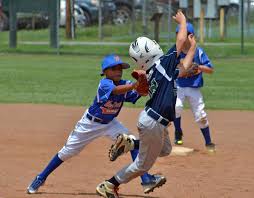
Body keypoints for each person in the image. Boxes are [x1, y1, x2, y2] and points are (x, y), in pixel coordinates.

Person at [26, 54, 165, 194]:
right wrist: (134, 85)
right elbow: (117, 91)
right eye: (113, 68)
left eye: (120, 68)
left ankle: (146, 180)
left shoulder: (125, 83)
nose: (118, 71)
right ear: (105, 72)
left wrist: (147, 84)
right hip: (89, 124)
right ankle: (41, 177)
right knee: (67, 152)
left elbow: (138, 93)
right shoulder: (105, 84)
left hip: (110, 124)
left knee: (132, 142)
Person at [96, 11, 197, 198]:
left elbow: (182, 71)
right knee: (142, 165)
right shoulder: (162, 64)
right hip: (153, 122)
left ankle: (130, 143)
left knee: (165, 150)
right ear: (151, 49)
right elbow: (181, 40)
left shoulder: (156, 70)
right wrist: (183, 22)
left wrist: (191, 50)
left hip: (156, 121)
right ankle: (109, 185)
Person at [173, 22, 216, 152]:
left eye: (182, 34)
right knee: (176, 107)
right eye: (178, 34)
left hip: (194, 88)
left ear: (191, 36)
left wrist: (198, 66)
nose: (179, 37)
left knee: (200, 115)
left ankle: (208, 142)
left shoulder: (198, 51)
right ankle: (178, 131)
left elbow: (210, 69)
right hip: (178, 86)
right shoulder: (175, 51)